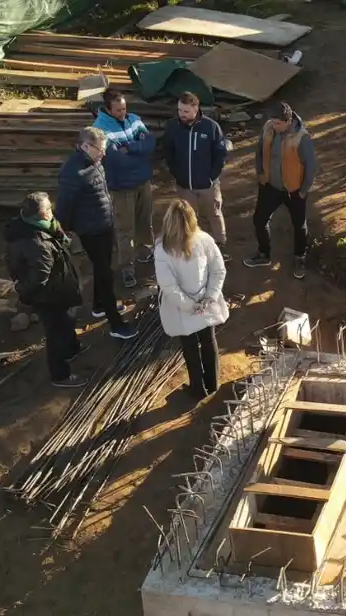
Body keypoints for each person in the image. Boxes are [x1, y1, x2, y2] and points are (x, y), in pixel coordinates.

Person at [56, 126, 136, 340]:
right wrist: (66, 231)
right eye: (100, 150)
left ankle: (99, 305)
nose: (103, 154)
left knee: (105, 267)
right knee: (105, 273)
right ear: (84, 146)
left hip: (104, 224)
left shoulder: (94, 162)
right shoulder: (72, 173)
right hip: (91, 231)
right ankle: (116, 325)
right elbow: (64, 208)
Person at [5, 192, 86, 388]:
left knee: (68, 319)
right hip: (49, 297)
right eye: (49, 209)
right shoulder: (37, 244)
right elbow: (39, 277)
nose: (52, 211)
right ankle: (60, 375)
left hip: (59, 288)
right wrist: (23, 291)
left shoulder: (39, 225)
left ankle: (72, 349)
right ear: (41, 215)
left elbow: (58, 235)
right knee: (56, 333)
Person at [154, 199, 228, 399]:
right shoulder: (205, 240)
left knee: (189, 347)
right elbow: (218, 270)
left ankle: (198, 388)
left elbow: (168, 285)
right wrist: (208, 298)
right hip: (205, 304)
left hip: (181, 309)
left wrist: (188, 305)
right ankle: (213, 385)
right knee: (208, 340)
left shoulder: (162, 249)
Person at [245, 101, 318, 280]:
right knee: (259, 220)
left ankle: (300, 257)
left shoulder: (302, 138)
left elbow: (311, 167)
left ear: (288, 120)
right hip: (270, 185)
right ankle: (264, 254)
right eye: (272, 122)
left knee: (299, 225)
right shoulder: (268, 128)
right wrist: (261, 174)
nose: (274, 126)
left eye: (278, 123)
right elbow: (259, 152)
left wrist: (302, 192)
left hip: (294, 189)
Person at [93, 91, 157, 289]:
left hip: (142, 182)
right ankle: (127, 267)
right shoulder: (99, 129)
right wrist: (137, 150)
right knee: (124, 229)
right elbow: (114, 159)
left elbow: (150, 144)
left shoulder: (134, 120)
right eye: (119, 110)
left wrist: (129, 148)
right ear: (108, 109)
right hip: (121, 187)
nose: (123, 112)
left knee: (145, 220)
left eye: (124, 108)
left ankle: (145, 250)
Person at [162, 91, 230, 259]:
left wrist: (212, 176)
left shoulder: (211, 127)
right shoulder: (172, 126)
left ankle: (219, 246)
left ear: (196, 108)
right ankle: (193, 248)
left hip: (208, 185)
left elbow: (220, 153)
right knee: (188, 217)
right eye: (179, 110)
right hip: (184, 186)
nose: (181, 115)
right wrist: (176, 173)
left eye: (185, 111)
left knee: (213, 214)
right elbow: (168, 152)